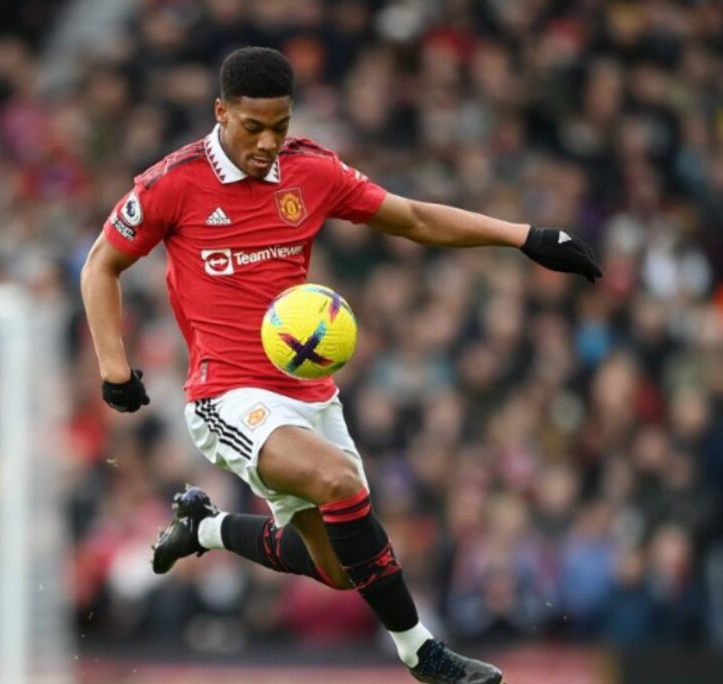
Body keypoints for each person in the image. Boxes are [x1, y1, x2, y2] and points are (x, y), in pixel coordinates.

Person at [80, 47, 601, 684]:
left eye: (281, 124)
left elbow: (411, 218)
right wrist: (115, 369)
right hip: (226, 395)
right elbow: (100, 265)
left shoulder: (312, 169)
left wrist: (527, 237)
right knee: (337, 480)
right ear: (221, 113)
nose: (269, 142)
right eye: (253, 127)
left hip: (308, 395)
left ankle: (204, 528)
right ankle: (422, 654)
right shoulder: (173, 182)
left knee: (335, 568)